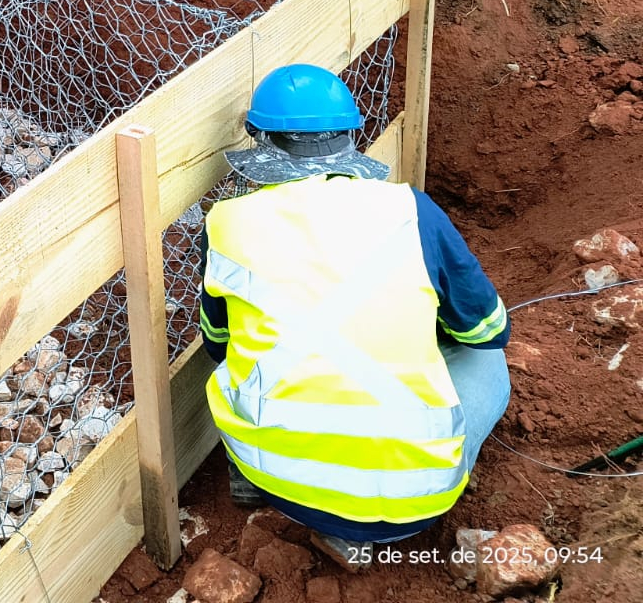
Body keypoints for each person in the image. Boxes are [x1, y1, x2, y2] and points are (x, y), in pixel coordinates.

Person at [198, 64, 511, 569]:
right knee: (490, 366)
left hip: (279, 482)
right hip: (417, 500)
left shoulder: (228, 224)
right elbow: (488, 329)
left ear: (262, 143)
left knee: (238, 362)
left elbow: (218, 343)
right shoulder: (413, 210)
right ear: (350, 136)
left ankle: (257, 477)